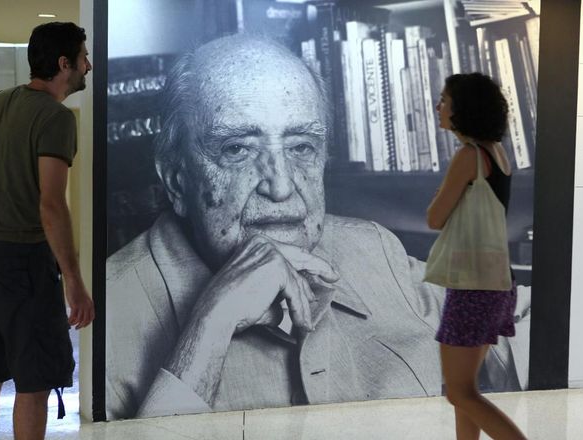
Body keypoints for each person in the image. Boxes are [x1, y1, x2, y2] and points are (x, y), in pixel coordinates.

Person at [106, 34, 529, 420]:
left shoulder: (373, 248)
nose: (281, 185)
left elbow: (515, 336)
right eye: (237, 149)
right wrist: (210, 325)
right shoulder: (106, 317)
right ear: (177, 180)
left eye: (301, 147)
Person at [0, 22, 95, 440]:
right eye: (83, 58)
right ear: (64, 63)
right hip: (23, 263)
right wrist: (74, 281)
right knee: (33, 382)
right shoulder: (55, 117)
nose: (88, 66)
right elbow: (51, 205)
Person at [427, 72, 527, 439]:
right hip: (497, 282)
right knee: (467, 390)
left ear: (462, 108)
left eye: (444, 100)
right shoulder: (496, 152)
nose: (438, 107)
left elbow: (435, 218)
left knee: (459, 391)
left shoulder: (468, 156)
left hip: (473, 287)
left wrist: (443, 190)